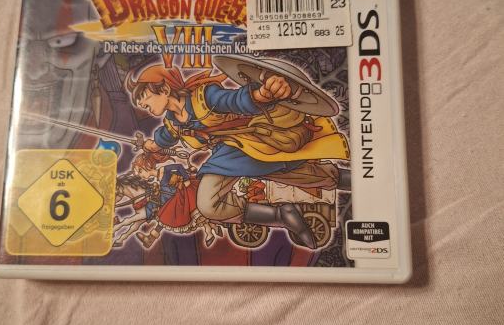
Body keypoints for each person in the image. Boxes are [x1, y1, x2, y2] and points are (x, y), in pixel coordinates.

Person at [126, 64, 350, 249]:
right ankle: (283, 215)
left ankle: (286, 213)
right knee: (211, 203)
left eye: (146, 99)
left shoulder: (204, 97)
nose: (144, 106)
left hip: (247, 144)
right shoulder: (173, 120)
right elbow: (166, 137)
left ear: (165, 89)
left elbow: (234, 100)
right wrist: (152, 144)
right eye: (142, 104)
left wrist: (261, 94)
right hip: (232, 154)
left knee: (210, 203)